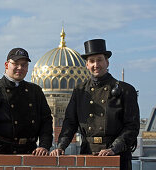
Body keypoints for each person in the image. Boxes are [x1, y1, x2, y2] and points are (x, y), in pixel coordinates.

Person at [50, 39, 140, 170]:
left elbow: (132, 127)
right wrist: (61, 147)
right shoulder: (80, 91)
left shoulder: (125, 90)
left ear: (107, 62)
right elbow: (70, 122)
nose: (96, 65)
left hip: (117, 157)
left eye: (99, 60)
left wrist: (113, 149)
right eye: (92, 61)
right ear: (86, 64)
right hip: (88, 155)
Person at [0, 48, 53, 162]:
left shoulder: (35, 91)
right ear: (7, 65)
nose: (20, 68)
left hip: (29, 153)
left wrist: (44, 145)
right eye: (15, 64)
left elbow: (46, 121)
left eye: (24, 65)